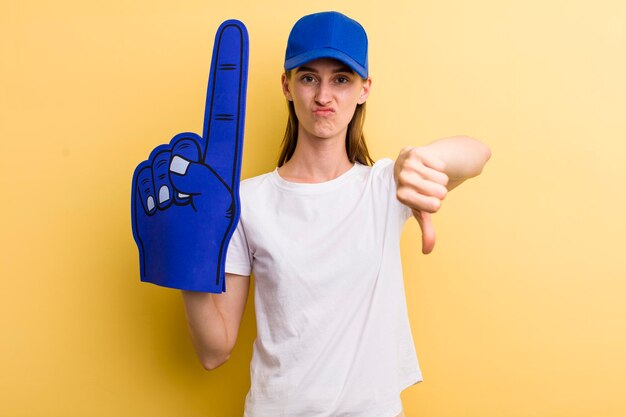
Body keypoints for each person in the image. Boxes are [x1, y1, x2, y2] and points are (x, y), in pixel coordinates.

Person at [181, 11, 491, 417]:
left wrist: (426, 159)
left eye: (341, 79)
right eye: (308, 77)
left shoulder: (384, 186)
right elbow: (214, 350)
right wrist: (184, 259)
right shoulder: (245, 202)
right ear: (287, 86)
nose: (323, 96)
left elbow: (477, 154)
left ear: (364, 88)